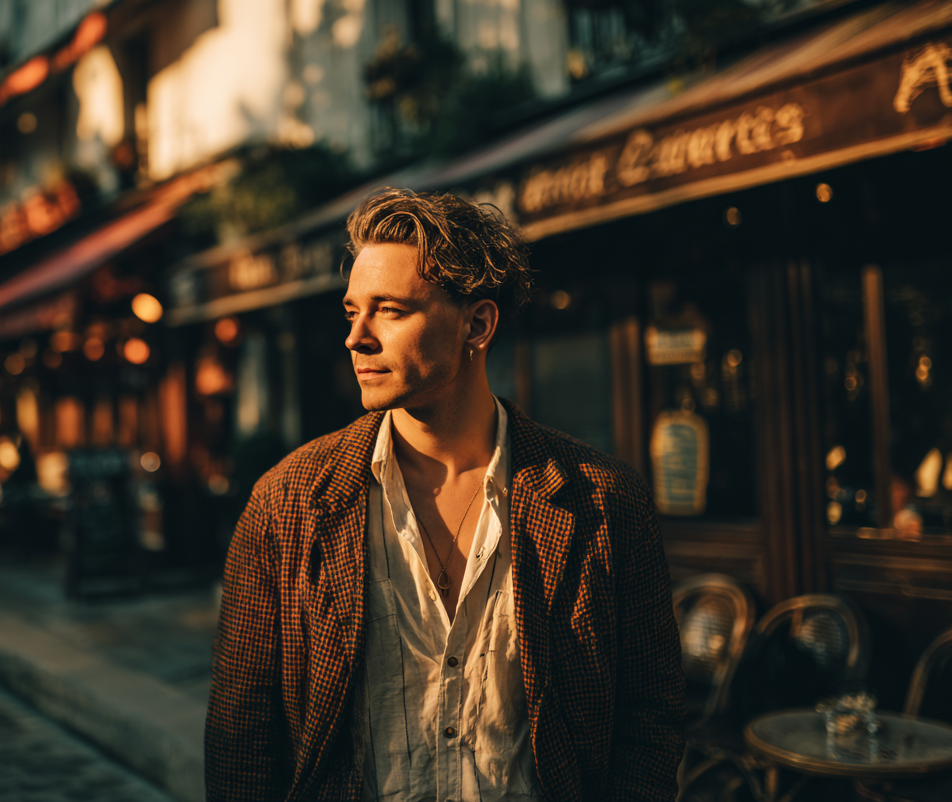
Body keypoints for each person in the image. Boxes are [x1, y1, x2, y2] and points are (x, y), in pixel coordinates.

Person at [205, 189, 685, 802]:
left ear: (477, 324)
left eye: (390, 310)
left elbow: (652, 718)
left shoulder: (602, 501)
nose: (356, 337)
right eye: (351, 311)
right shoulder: (288, 502)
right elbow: (240, 740)